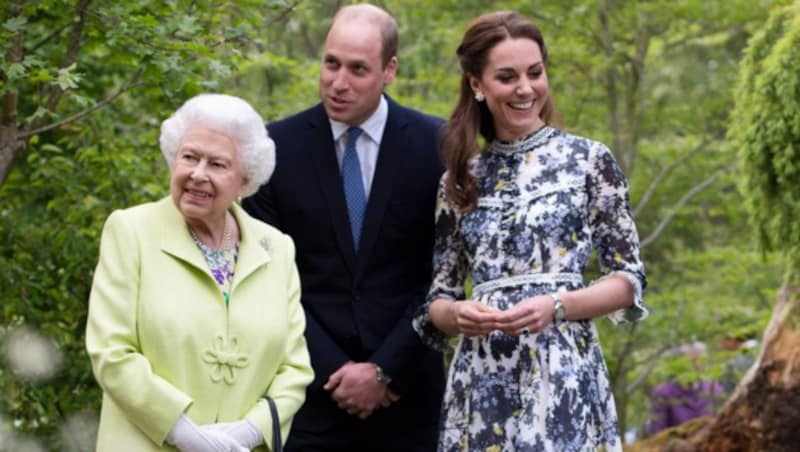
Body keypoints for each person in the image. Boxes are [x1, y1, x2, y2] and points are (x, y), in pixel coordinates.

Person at [412, 11, 648, 451]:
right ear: (477, 85)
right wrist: (457, 315)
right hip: (480, 384)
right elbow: (437, 301)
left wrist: (557, 305)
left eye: (535, 73)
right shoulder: (459, 180)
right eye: (507, 76)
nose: (525, 88)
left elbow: (628, 280)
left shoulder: (589, 161)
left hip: (563, 373)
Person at [242, 4, 446, 451]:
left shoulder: (439, 146)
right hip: (309, 396)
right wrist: (338, 371)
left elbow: (445, 276)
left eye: (358, 69)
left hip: (411, 399)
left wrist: (385, 369)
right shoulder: (273, 149)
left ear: (389, 69)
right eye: (331, 63)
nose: (339, 82)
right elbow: (267, 277)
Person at [86, 93, 314, 451]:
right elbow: (112, 353)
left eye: (217, 164)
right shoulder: (131, 231)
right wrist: (187, 435)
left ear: (244, 180)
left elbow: (295, 368)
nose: (197, 174)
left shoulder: (277, 248)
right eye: (189, 157)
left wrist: (248, 432)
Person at [646, 342, 724, 436]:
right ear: (678, 364)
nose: (694, 366)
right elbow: (656, 434)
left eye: (697, 361)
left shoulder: (715, 391)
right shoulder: (663, 393)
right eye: (689, 362)